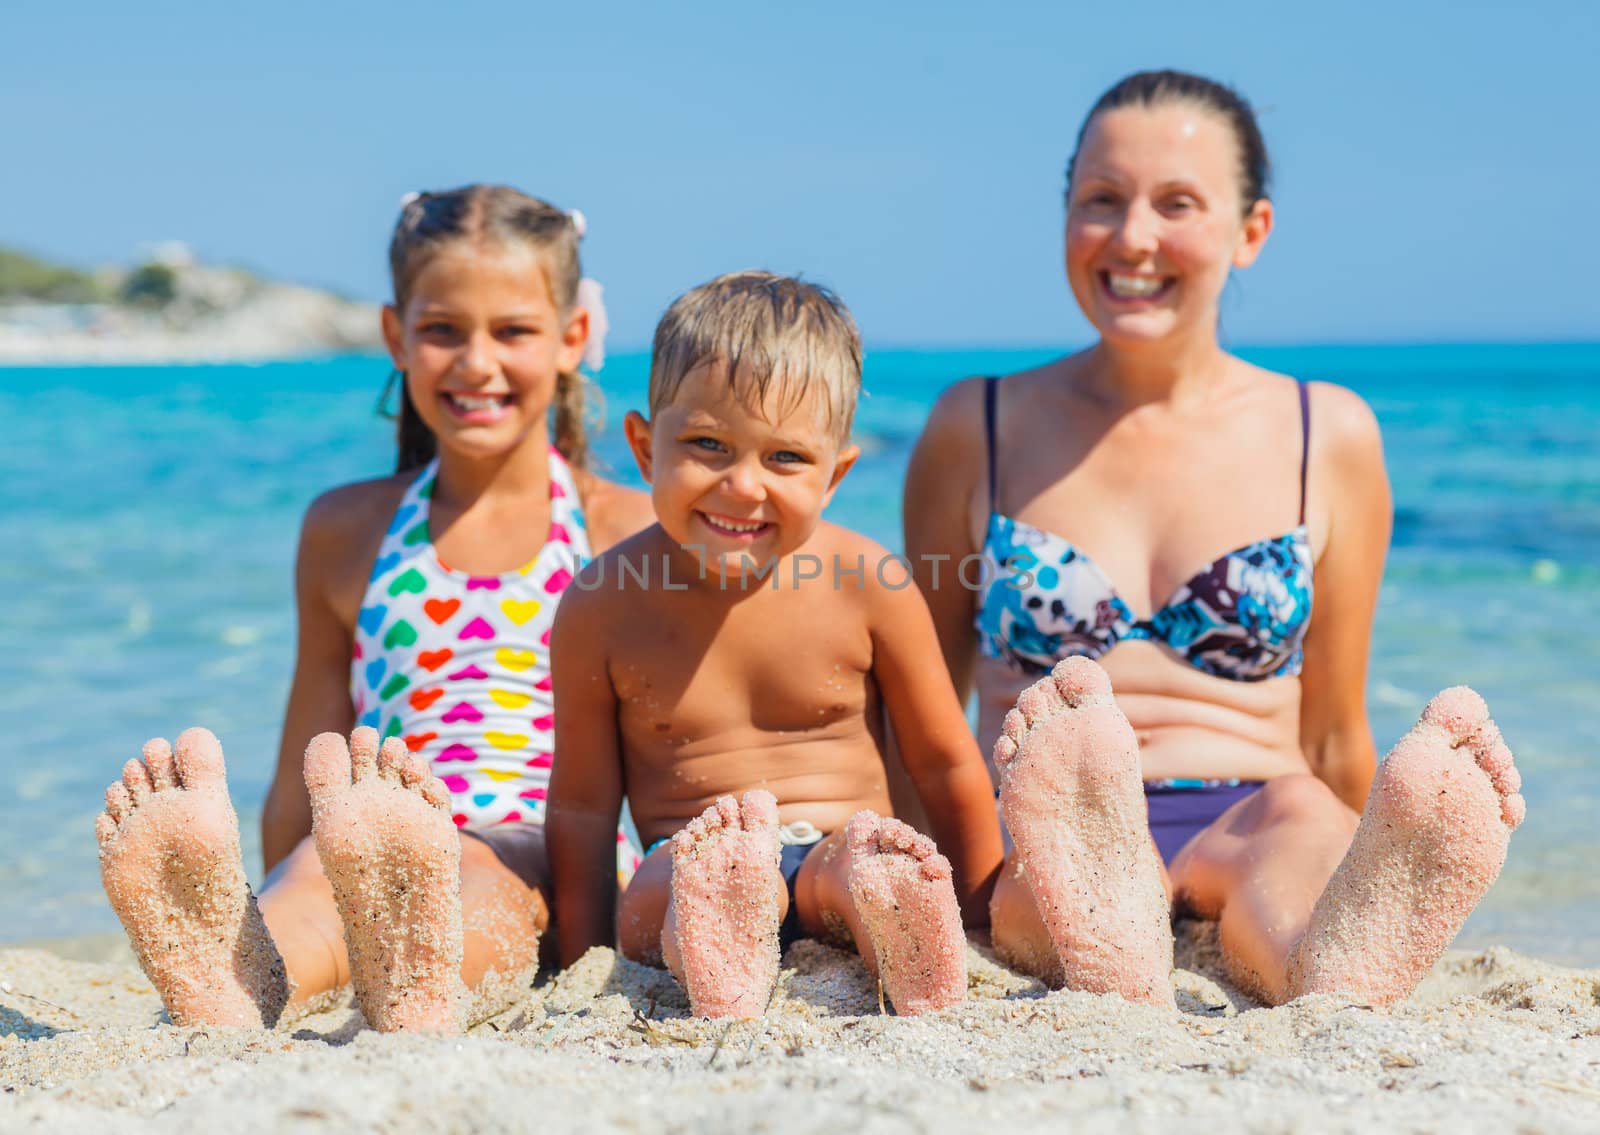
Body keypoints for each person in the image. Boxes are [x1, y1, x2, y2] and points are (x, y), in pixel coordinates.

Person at [903, 71, 1525, 1007]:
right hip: (1058, 812)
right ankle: (1112, 932)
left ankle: (1332, 952)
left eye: (1177, 204)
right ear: (1066, 215)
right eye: (1101, 202)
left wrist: (1370, 819)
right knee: (1047, 887)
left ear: (1251, 231)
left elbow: (1330, 723)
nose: (1134, 237)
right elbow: (926, 708)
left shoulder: (1330, 435)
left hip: (1258, 798)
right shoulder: (975, 425)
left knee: (1301, 855)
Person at [95, 185, 655, 1033]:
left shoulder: (626, 529)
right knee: (316, 876)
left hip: (545, 840)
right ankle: (240, 978)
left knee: (487, 873)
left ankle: (416, 973)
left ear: (573, 336)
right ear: (396, 335)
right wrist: (285, 856)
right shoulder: (347, 527)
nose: (475, 362)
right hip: (374, 818)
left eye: (512, 331)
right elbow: (306, 756)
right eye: (441, 331)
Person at [545, 271, 1005, 1018]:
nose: (742, 486)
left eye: (785, 458)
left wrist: (983, 918)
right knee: (649, 900)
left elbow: (946, 760)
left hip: (835, 846)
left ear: (835, 475)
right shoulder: (601, 603)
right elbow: (581, 809)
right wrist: (581, 961)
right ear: (641, 446)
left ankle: (900, 925)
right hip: (692, 862)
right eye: (706, 444)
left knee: (855, 867)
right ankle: (724, 925)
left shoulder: (869, 582)